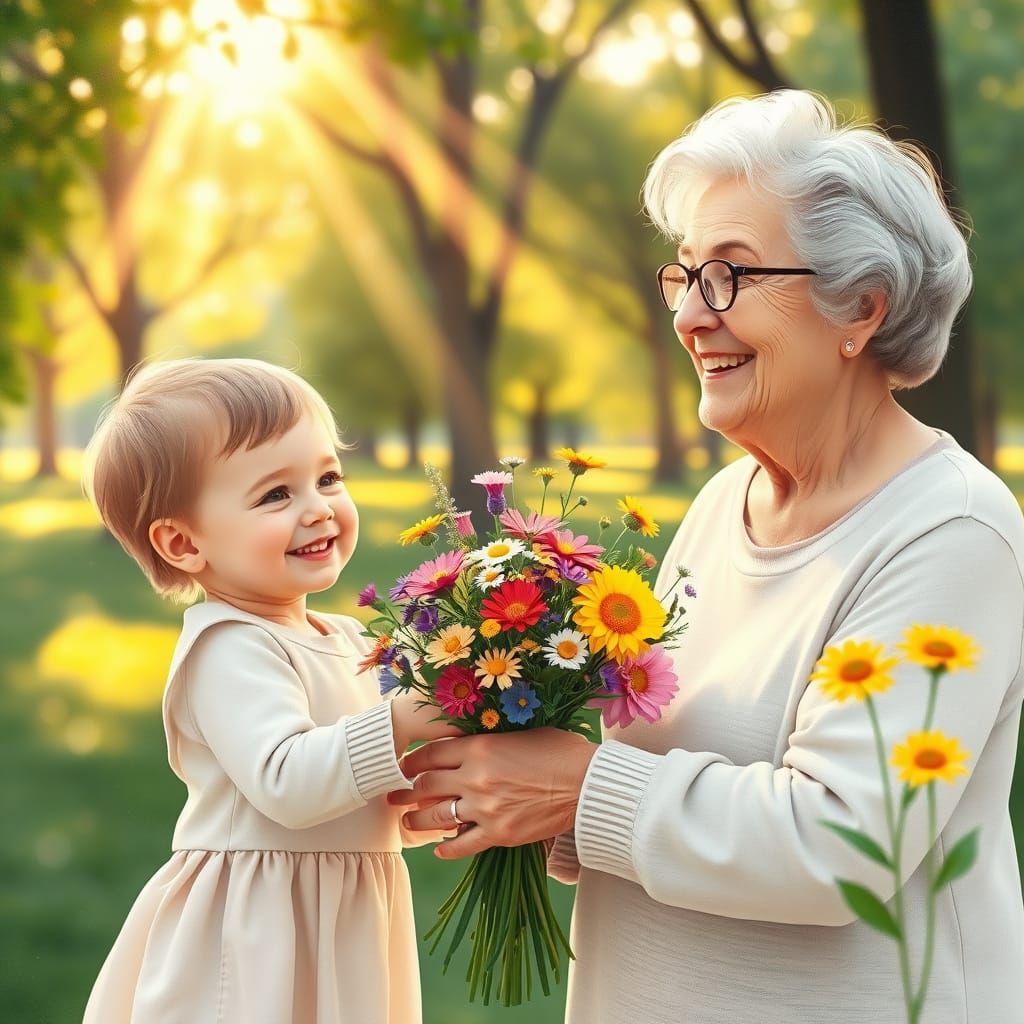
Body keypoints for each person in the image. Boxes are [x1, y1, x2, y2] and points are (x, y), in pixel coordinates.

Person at [393, 91, 1024, 1022]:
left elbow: (846, 844)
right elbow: (648, 771)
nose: (691, 315)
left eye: (729, 275)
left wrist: (575, 791)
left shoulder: (949, 531)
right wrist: (520, 789)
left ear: (861, 306)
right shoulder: (727, 503)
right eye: (684, 276)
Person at [80, 358, 455, 1024]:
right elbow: (288, 782)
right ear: (183, 543)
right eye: (276, 495)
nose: (318, 508)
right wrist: (407, 717)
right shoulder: (228, 647)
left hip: (344, 919)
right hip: (252, 942)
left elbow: (355, 785)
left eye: (328, 477)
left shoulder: (345, 637)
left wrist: (428, 802)